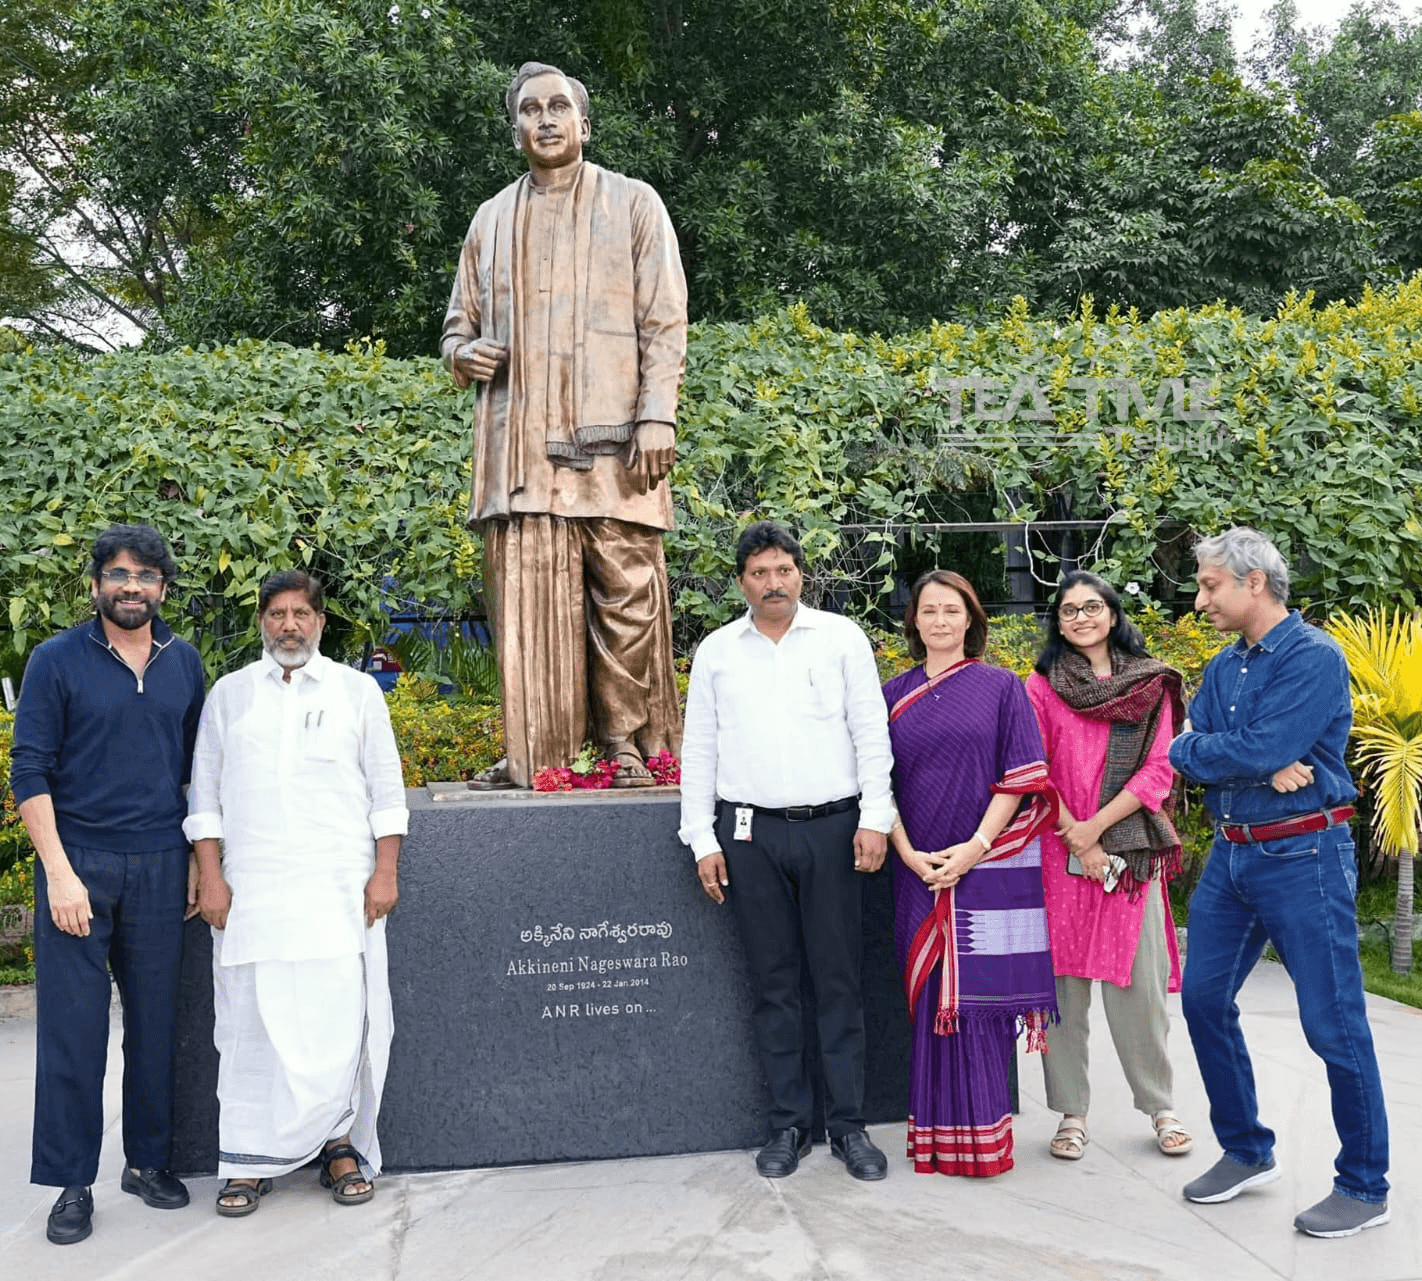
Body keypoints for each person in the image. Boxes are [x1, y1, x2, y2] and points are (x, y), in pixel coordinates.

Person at [442, 59, 688, 790]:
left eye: (557, 107)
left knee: (628, 601)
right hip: (520, 450)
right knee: (526, 607)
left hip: (617, 447)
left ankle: (627, 742)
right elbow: (457, 328)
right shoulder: (490, 218)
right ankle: (538, 754)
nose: (544, 119)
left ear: (584, 123)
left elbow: (664, 320)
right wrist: (465, 354)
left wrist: (656, 415)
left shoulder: (635, 203)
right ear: (516, 128)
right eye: (529, 110)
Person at [1170, 527, 1389, 1238]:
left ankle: (1364, 1183)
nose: (1201, 598)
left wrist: (1249, 756)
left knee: (1333, 1022)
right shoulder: (1224, 665)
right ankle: (1246, 1149)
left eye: (1210, 585)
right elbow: (1183, 748)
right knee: (1202, 1000)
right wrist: (1252, 762)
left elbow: (1259, 745)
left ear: (1253, 582)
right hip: (1232, 858)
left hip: (1304, 859)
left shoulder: (1313, 657)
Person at [185, 570, 407, 1216]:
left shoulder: (357, 692)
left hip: (339, 893)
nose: (289, 625)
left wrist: (385, 870)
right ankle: (247, 1160)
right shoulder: (230, 697)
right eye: (277, 613)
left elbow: (386, 794)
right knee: (251, 1023)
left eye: (301, 614)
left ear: (320, 622)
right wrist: (213, 873)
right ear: (262, 622)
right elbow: (205, 797)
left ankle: (339, 1146)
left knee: (336, 1021)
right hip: (253, 895)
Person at [678, 521, 895, 1181]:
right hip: (750, 835)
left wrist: (876, 817)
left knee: (838, 981)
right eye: (759, 573)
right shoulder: (717, 651)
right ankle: (788, 1125)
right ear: (741, 582)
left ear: (801, 573)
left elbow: (870, 731)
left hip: (834, 830)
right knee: (774, 986)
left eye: (783, 570)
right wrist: (701, 837)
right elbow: (700, 750)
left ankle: (849, 1126)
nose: (773, 583)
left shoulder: (840, 639)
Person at [10, 524, 206, 1245]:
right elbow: (28, 769)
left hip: (159, 860)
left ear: (163, 587)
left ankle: (148, 1162)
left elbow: (194, 769)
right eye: (119, 573)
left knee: (155, 1023)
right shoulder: (56, 660)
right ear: (95, 584)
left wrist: (191, 857)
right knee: (75, 1029)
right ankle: (71, 1181)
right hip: (78, 863)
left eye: (147, 575)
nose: (132, 586)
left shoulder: (184, 662)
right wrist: (59, 873)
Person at [884, 569, 1059, 1177]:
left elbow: (1020, 778)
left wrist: (975, 849)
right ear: (914, 621)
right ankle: (934, 1142)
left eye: (951, 611)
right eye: (928, 611)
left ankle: (984, 1140)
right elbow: (875, 785)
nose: (939, 621)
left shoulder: (1001, 687)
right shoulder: (891, 694)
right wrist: (908, 852)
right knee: (933, 996)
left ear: (971, 620)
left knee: (976, 1003)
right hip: (916, 867)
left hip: (984, 866)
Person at [1025, 571, 1191, 1163]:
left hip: (1129, 852)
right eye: (1068, 611)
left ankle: (1161, 1105)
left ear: (1113, 613)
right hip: (1059, 848)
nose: (1081, 618)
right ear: (1058, 623)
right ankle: (1072, 1114)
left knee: (1138, 986)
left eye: (1091, 606)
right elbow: (1035, 769)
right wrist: (1078, 839)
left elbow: (1159, 770)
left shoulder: (1151, 685)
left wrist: (1096, 831)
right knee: (1064, 990)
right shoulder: (1041, 685)